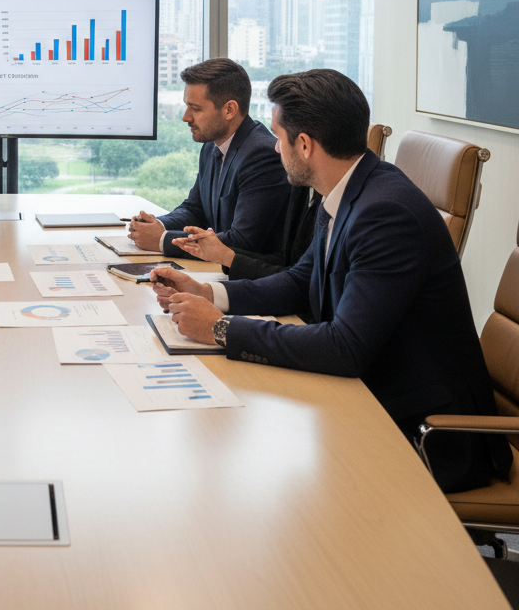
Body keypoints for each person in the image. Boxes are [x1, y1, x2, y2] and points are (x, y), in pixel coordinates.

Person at [151, 68, 511, 493]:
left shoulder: (386, 213)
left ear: (304, 145)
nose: (274, 146)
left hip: (428, 434)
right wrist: (210, 292)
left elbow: (345, 347)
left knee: (254, 472)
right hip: (372, 395)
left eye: (279, 137)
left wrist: (221, 328)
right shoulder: (346, 189)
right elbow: (301, 280)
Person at [128, 58, 290, 258]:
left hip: (246, 274)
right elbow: (195, 210)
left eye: (195, 109)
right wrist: (156, 225)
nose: (186, 117)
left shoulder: (262, 155)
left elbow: (243, 241)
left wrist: (162, 240)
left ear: (229, 110)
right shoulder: (211, 145)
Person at [176, 184, 320, 282]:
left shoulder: (260, 154)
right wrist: (224, 255)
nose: (276, 150)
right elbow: (288, 261)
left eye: (281, 145)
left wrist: (211, 292)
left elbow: (302, 281)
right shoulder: (302, 187)